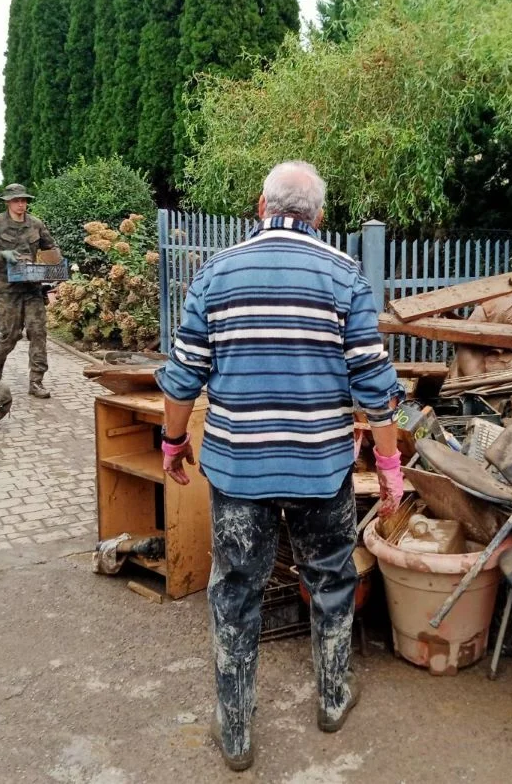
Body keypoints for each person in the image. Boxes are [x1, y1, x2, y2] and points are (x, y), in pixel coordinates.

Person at [156, 161, 404, 772]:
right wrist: (391, 464)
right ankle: (332, 697)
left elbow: (185, 374)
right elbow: (375, 384)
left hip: (240, 470)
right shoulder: (346, 276)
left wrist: (171, 442)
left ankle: (236, 732)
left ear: (259, 205)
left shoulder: (215, 276)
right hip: (322, 469)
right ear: (318, 216)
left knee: (236, 593)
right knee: (331, 580)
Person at [0, 183, 57, 399]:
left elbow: (50, 249)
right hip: (6, 289)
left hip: (32, 288)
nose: (21, 204)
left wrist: (55, 267)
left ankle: (36, 381)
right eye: (16, 200)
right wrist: (3, 255)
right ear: (8, 202)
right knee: (10, 335)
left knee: (38, 332)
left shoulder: (36, 224)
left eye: (24, 200)